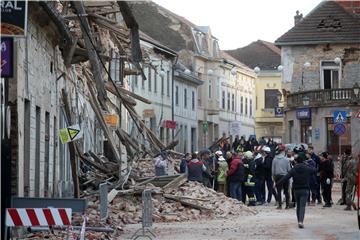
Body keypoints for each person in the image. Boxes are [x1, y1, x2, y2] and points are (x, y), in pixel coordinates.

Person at [277, 153, 317, 229]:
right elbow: (315, 170)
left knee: (298, 206)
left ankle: (299, 220)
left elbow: (286, 177)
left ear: (296, 161)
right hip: (305, 189)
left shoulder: (294, 169)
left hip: (296, 190)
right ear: (303, 161)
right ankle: (301, 221)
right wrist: (307, 164)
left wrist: (277, 184)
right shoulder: (307, 168)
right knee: (302, 206)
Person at [272, 144, 291, 209]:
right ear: (283, 151)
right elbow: (289, 170)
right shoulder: (286, 160)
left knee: (279, 191)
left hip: (277, 176)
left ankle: (279, 205)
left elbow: (273, 170)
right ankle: (287, 205)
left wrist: (274, 178)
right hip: (285, 176)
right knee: (286, 191)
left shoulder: (275, 159)